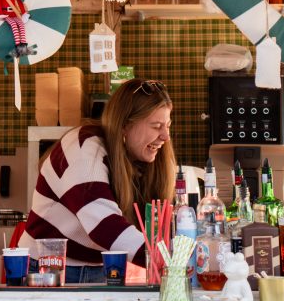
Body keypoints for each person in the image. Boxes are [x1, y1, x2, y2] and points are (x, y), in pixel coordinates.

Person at [20, 79, 176, 284]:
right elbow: (104, 226)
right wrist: (172, 260)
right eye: (156, 126)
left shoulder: (139, 157)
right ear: (124, 125)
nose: (165, 136)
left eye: (168, 126)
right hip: (49, 267)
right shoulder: (83, 146)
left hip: (101, 267)